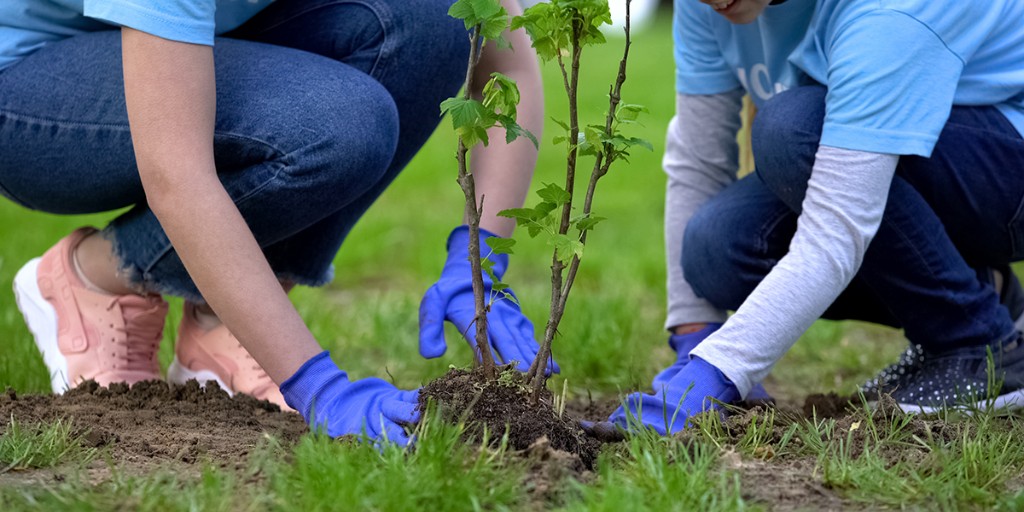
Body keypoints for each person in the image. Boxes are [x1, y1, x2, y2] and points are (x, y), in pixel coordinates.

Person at [0, 0, 546, 446]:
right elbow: (176, 175)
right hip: (26, 86)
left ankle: (224, 321)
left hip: (200, 36)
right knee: (338, 125)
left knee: (438, 22)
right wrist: (320, 389)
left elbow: (508, 59)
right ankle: (94, 275)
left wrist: (481, 260)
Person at [604, 0, 1024, 435]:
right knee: (718, 245)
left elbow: (837, 228)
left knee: (793, 130)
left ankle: (982, 345)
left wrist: (717, 373)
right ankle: (984, 293)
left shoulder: (887, 14)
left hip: (1011, 169)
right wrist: (695, 338)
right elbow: (698, 162)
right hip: (943, 152)